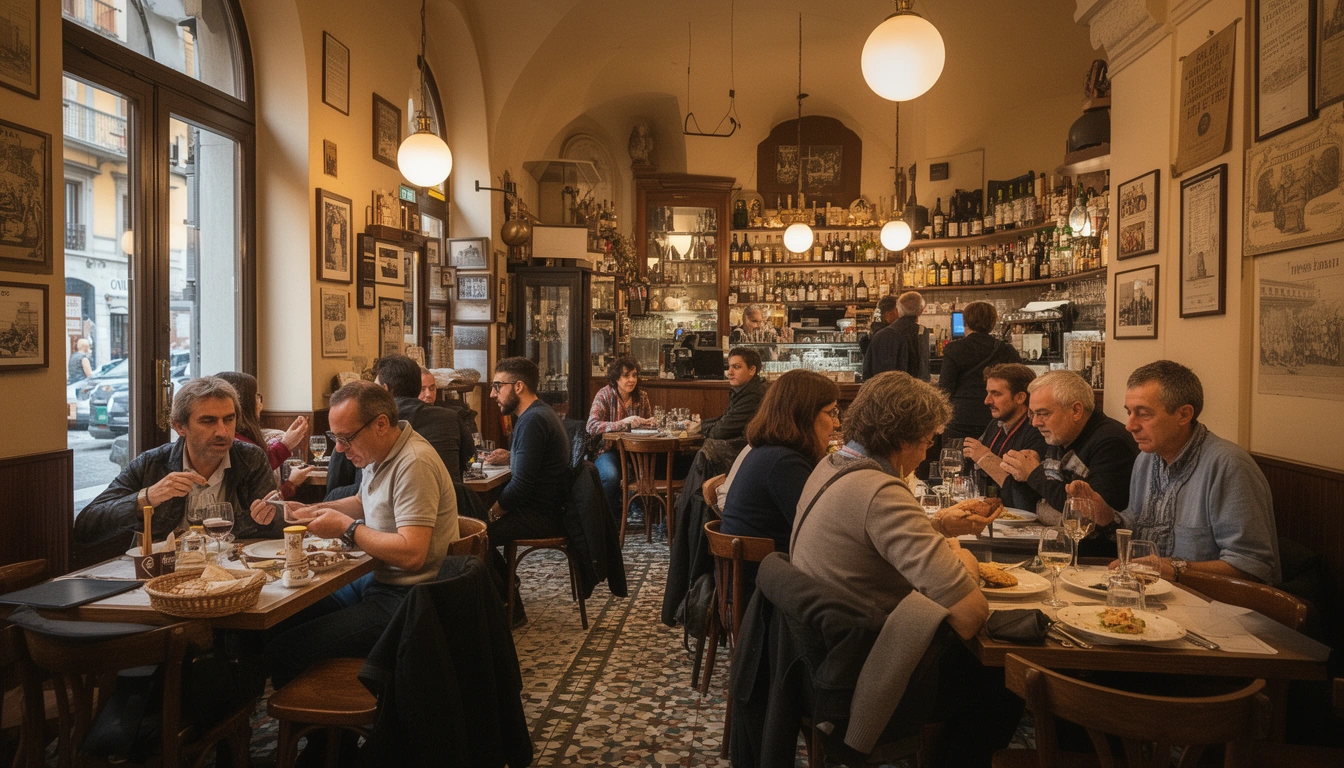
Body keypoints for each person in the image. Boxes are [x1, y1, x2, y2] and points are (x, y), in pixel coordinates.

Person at [788, 371, 1014, 767]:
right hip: (868, 670)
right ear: (903, 438)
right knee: (1004, 679)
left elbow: (865, 543)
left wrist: (938, 526)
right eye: (928, 441)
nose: (927, 453)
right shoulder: (880, 490)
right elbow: (969, 615)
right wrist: (962, 558)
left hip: (822, 658)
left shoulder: (832, 466)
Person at [262, 380, 458, 688]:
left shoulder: (414, 463)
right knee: (282, 620)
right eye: (335, 437)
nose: (339, 448)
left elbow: (412, 554)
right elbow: (363, 502)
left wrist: (346, 528)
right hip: (378, 580)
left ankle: (324, 733)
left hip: (411, 598)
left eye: (345, 438)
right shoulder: (381, 451)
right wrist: (315, 508)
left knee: (290, 649)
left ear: (381, 424)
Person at [1068, 361, 1281, 584]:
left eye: (1143, 414)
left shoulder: (1228, 466)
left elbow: (1255, 566)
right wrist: (1106, 516)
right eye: (1129, 412)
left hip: (1214, 607)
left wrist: (1177, 570)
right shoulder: (1146, 459)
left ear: (1183, 415)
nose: (1130, 425)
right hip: (1151, 596)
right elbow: (1139, 531)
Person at [76, 377, 280, 545]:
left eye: (228, 419)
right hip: (162, 573)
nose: (222, 431)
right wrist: (147, 497)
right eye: (208, 421)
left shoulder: (250, 459)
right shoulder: (153, 463)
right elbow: (86, 527)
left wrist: (279, 516)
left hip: (230, 570)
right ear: (180, 427)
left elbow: (273, 525)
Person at [721, 370, 840, 596]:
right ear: (804, 415)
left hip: (754, 580)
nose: (836, 422)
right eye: (830, 412)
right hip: (759, 595)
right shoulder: (784, 463)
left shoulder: (771, 452)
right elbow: (818, 534)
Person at [999, 370, 1137, 552]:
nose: (1034, 423)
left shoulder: (1111, 442)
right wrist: (1019, 476)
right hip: (1053, 545)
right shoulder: (1059, 437)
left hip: (1092, 558)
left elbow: (1087, 516)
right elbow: (1027, 509)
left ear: (1076, 411)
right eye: (1032, 414)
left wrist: (1034, 475)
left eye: (1043, 414)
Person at [483, 357, 573, 623]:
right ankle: (508, 597)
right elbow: (539, 463)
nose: (492, 393)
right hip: (550, 508)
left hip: (542, 516)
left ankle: (507, 607)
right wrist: (513, 456)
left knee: (472, 537)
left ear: (518, 386)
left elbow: (521, 487)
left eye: (497, 386)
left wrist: (492, 512)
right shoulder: (539, 413)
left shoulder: (532, 421)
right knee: (476, 531)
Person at [325, 356, 475, 500]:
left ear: (384, 390)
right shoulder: (450, 417)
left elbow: (335, 480)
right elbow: (469, 458)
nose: (340, 446)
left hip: (415, 508)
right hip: (456, 503)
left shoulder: (374, 424)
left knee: (333, 497)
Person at [962, 364, 1049, 512]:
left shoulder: (1038, 431)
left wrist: (985, 457)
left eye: (996, 394)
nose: (987, 401)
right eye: (988, 393)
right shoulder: (996, 424)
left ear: (1020, 397)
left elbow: (1021, 491)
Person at [214, 371, 312, 500]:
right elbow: (261, 501)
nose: (260, 405)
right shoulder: (235, 443)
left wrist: (286, 444)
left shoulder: (243, 439)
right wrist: (291, 484)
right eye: (256, 397)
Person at [937, 301, 1021, 439]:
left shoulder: (954, 349)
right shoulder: (1006, 350)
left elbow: (945, 388)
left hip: (960, 417)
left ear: (966, 322)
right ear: (993, 323)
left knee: (955, 457)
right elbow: (1019, 382)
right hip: (994, 417)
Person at [586, 355, 656, 520]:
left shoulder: (642, 397)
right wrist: (622, 423)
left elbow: (646, 427)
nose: (631, 380)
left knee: (651, 471)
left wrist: (649, 423)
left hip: (636, 451)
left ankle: (641, 513)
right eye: (626, 375)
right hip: (608, 450)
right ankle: (610, 519)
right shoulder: (604, 395)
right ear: (616, 377)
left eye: (634, 375)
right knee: (610, 477)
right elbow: (591, 426)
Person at [701, 347, 767, 441]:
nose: (729, 373)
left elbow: (718, 432)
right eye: (729, 367)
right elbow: (723, 420)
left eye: (736, 367)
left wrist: (700, 428)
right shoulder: (745, 389)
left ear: (752, 370)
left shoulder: (753, 396)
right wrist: (699, 426)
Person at [862, 291, 930, 381]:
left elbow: (867, 372)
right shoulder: (921, 332)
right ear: (920, 311)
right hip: (911, 391)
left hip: (882, 390)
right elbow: (923, 373)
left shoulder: (879, 335)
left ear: (898, 309)